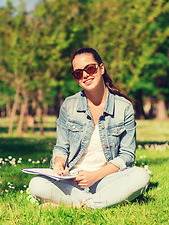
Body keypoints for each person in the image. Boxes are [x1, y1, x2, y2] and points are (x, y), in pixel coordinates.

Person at [29, 47, 150, 209]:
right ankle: (101, 201)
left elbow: (127, 155)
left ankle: (80, 205)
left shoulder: (123, 107)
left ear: (101, 68)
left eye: (90, 68)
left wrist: (94, 176)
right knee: (37, 184)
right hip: (72, 181)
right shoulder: (69, 105)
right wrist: (59, 165)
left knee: (140, 176)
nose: (85, 75)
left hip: (107, 179)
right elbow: (61, 147)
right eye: (78, 73)